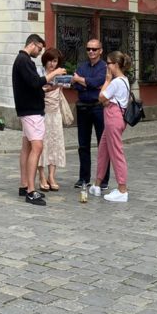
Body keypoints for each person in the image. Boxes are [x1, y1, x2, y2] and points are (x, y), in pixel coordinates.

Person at [12, 34, 64, 205]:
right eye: (40, 48)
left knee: (27, 147)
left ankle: (23, 185)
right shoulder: (24, 60)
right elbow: (35, 82)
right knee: (37, 146)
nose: (40, 52)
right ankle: (31, 191)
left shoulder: (23, 60)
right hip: (31, 111)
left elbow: (32, 86)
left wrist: (48, 90)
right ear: (33, 44)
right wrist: (55, 73)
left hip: (28, 108)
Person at [90, 50, 133, 203]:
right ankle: (97, 184)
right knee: (103, 151)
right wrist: (107, 101)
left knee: (116, 153)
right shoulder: (125, 80)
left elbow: (101, 97)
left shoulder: (115, 82)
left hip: (113, 118)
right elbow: (107, 100)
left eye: (108, 63)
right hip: (116, 117)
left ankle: (122, 190)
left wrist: (107, 80)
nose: (106, 66)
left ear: (115, 65)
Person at [71, 38, 109, 190]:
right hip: (83, 108)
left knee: (103, 145)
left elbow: (98, 82)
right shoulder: (82, 66)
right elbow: (76, 85)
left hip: (98, 108)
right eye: (88, 49)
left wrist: (81, 80)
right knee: (83, 145)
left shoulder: (104, 67)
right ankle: (83, 178)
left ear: (101, 50)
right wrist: (86, 83)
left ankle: (103, 180)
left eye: (94, 49)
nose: (91, 52)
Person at [38, 47, 67, 191]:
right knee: (41, 144)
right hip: (42, 113)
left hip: (55, 113)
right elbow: (36, 88)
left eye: (54, 61)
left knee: (55, 143)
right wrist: (50, 87)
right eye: (49, 60)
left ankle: (52, 176)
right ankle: (42, 176)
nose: (52, 64)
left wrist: (65, 82)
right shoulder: (40, 73)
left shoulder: (59, 74)